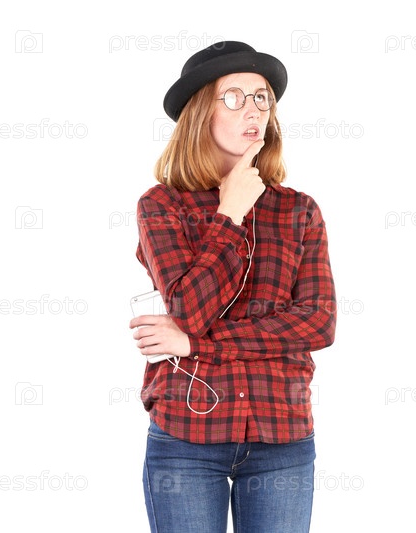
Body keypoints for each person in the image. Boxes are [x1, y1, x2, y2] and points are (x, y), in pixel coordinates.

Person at [129, 40, 337, 533]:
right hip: (187, 436)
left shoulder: (299, 209)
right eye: (234, 97)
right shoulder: (162, 205)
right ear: (201, 112)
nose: (253, 110)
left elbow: (318, 323)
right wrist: (231, 213)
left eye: (261, 97)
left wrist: (196, 345)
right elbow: (189, 309)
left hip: (281, 435)